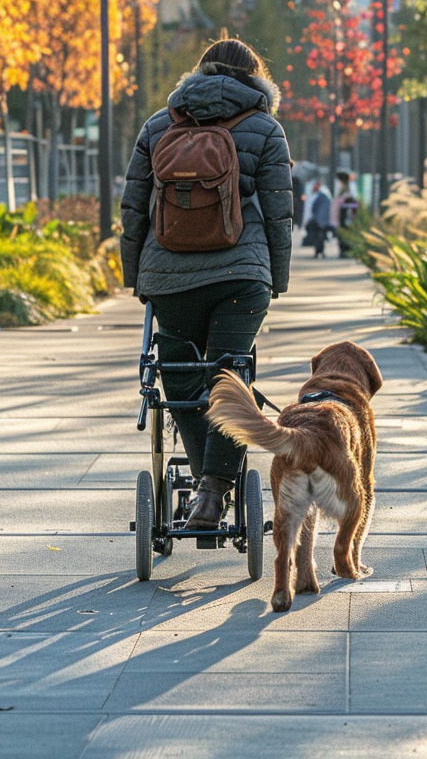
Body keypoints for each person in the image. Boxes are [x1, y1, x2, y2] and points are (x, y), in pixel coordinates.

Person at [120, 37, 293, 530]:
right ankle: (215, 492)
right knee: (230, 377)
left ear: (197, 73)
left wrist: (138, 277)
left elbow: (133, 209)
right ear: (256, 77)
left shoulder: (158, 124)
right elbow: (280, 214)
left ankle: (202, 487)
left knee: (178, 382)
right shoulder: (264, 127)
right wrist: (274, 278)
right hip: (240, 277)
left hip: (169, 278)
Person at [306, 179, 331, 258]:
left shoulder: (323, 196)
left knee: (321, 237)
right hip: (317, 220)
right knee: (318, 237)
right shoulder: (315, 195)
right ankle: (318, 251)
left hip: (320, 221)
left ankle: (320, 251)